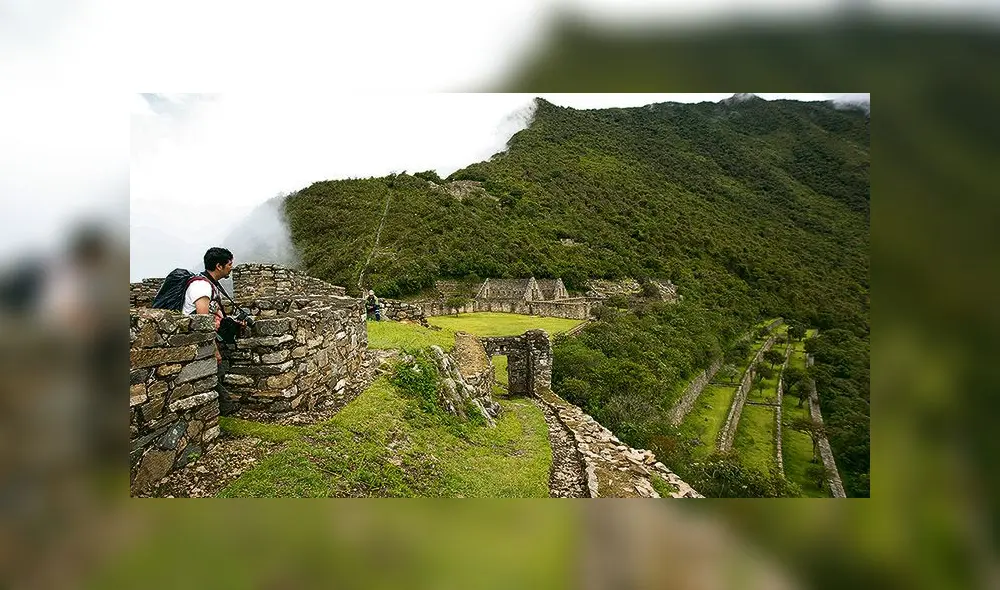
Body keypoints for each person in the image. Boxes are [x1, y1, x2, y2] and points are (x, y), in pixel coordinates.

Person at [183, 247, 240, 413]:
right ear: (219, 266)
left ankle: (224, 406)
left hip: (212, 338)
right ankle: (226, 407)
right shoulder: (202, 286)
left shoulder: (212, 285)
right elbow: (202, 321)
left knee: (217, 372)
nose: (231, 267)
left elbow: (213, 314)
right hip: (199, 342)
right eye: (229, 264)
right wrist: (213, 349)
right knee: (213, 373)